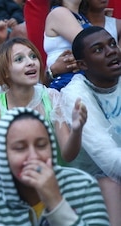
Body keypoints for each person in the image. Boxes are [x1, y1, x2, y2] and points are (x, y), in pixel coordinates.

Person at [0, 107, 109, 225]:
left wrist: (56, 202)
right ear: (3, 154)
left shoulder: (82, 186)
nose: (34, 156)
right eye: (20, 148)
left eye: (41, 145)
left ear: (52, 147)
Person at [0, 37, 87, 164]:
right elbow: (2, 163)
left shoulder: (51, 97)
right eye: (19, 59)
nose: (31, 62)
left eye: (33, 56)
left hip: (57, 172)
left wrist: (77, 130)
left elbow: (68, 155)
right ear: (5, 71)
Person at [61, 26, 121, 226]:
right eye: (98, 49)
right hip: (95, 183)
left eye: (112, 43)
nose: (111, 51)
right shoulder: (75, 96)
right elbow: (109, 160)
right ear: (82, 64)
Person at [44, 0, 91, 90]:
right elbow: (91, 44)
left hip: (82, 80)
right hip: (68, 84)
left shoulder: (81, 17)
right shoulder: (59, 13)